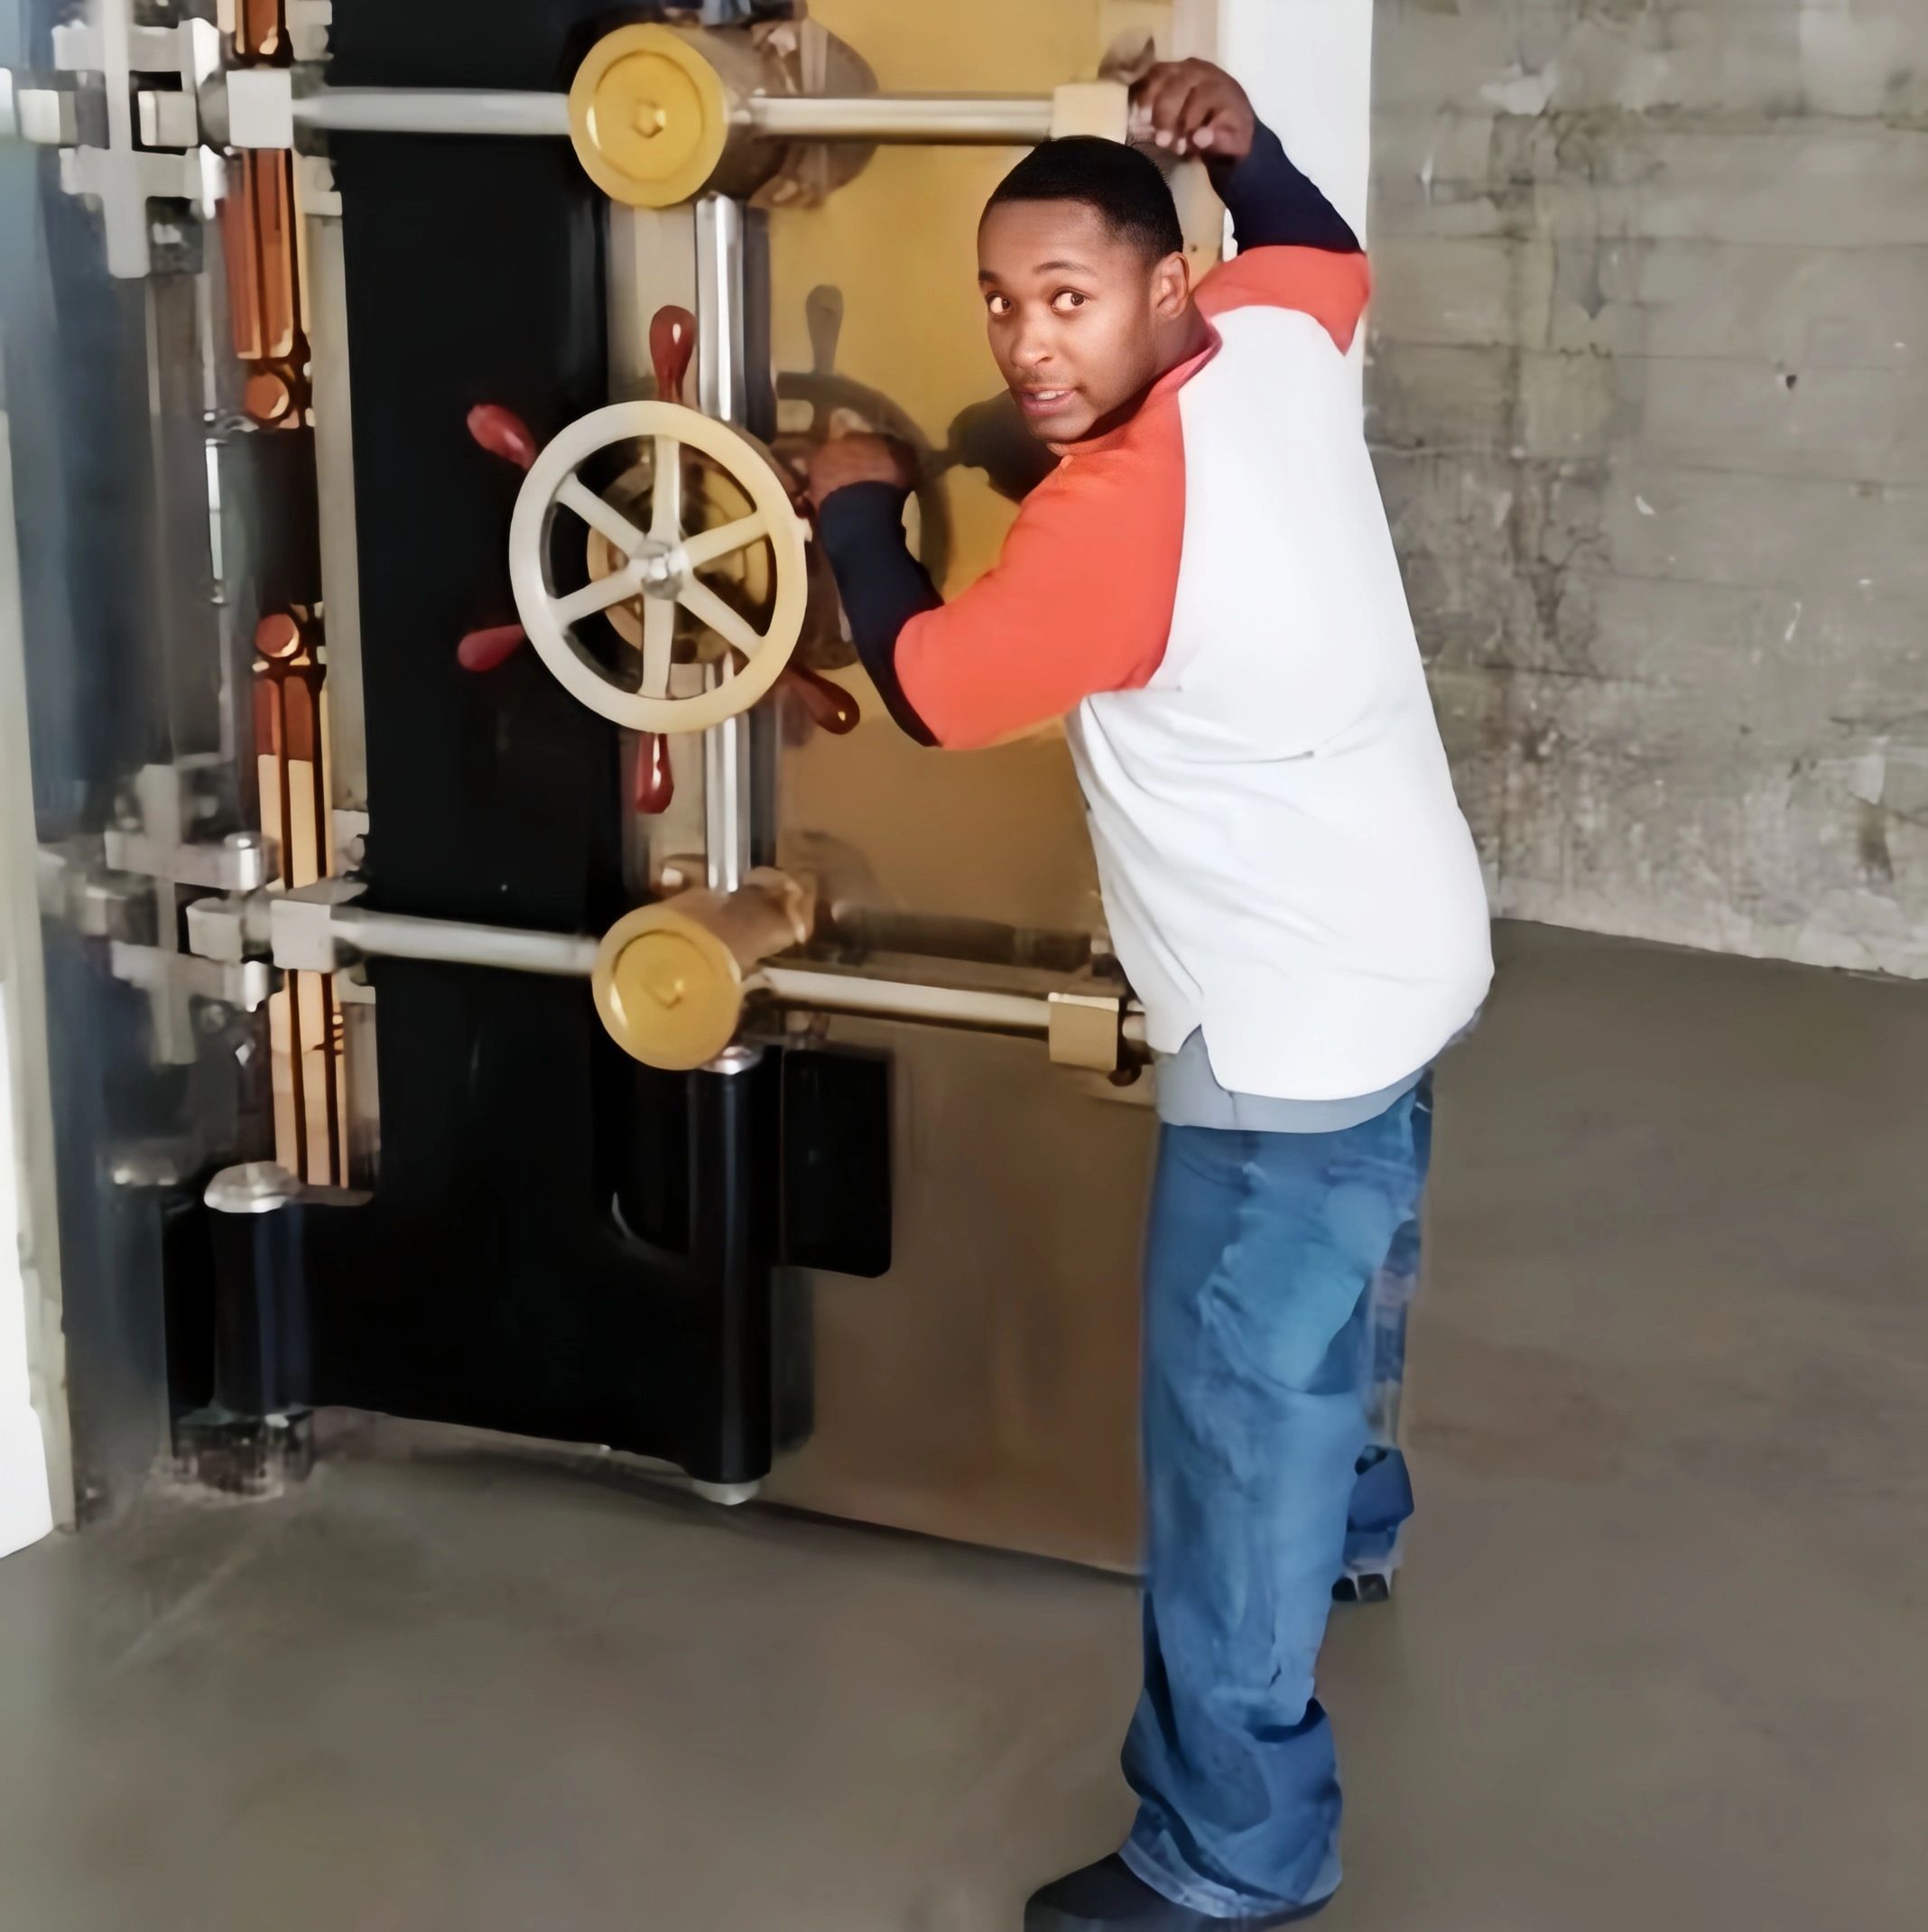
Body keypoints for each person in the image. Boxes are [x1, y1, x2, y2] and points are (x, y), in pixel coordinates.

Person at [807, 59, 1493, 1932]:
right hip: (1411, 951)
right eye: (1005, 305)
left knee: (1226, 1431)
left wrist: (858, 512)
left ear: (1162, 289)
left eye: (1071, 297)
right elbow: (1319, 246)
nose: (1032, 346)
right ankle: (1357, 1517)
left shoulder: (1116, 514)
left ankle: (1232, 1849)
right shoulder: (1272, 350)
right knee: (1345, 1293)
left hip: (1281, 1036)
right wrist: (1245, 146)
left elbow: (939, 685)